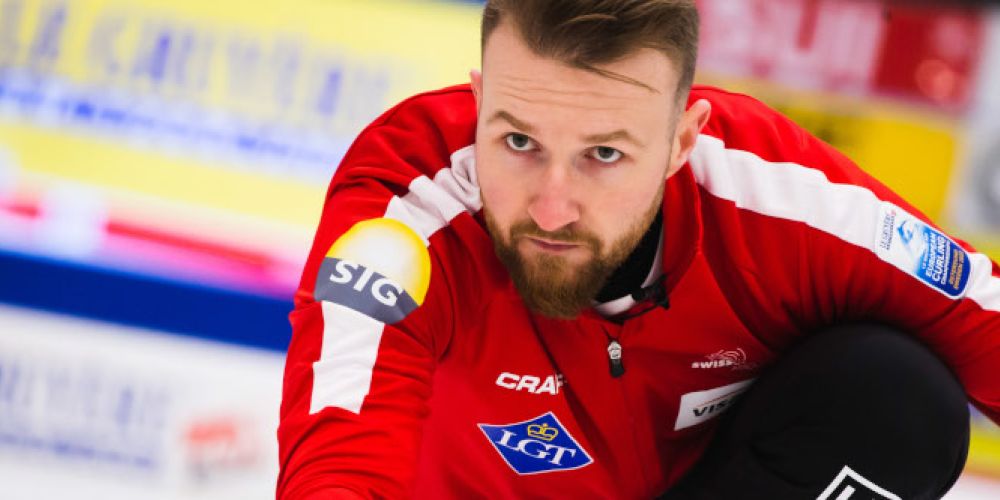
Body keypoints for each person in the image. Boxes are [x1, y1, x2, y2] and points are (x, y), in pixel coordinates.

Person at [277, 1, 1000, 498]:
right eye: (518, 141)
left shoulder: (775, 195)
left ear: (684, 139)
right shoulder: (408, 210)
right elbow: (339, 451)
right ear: (480, 97)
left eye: (604, 154)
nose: (552, 206)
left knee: (896, 400)